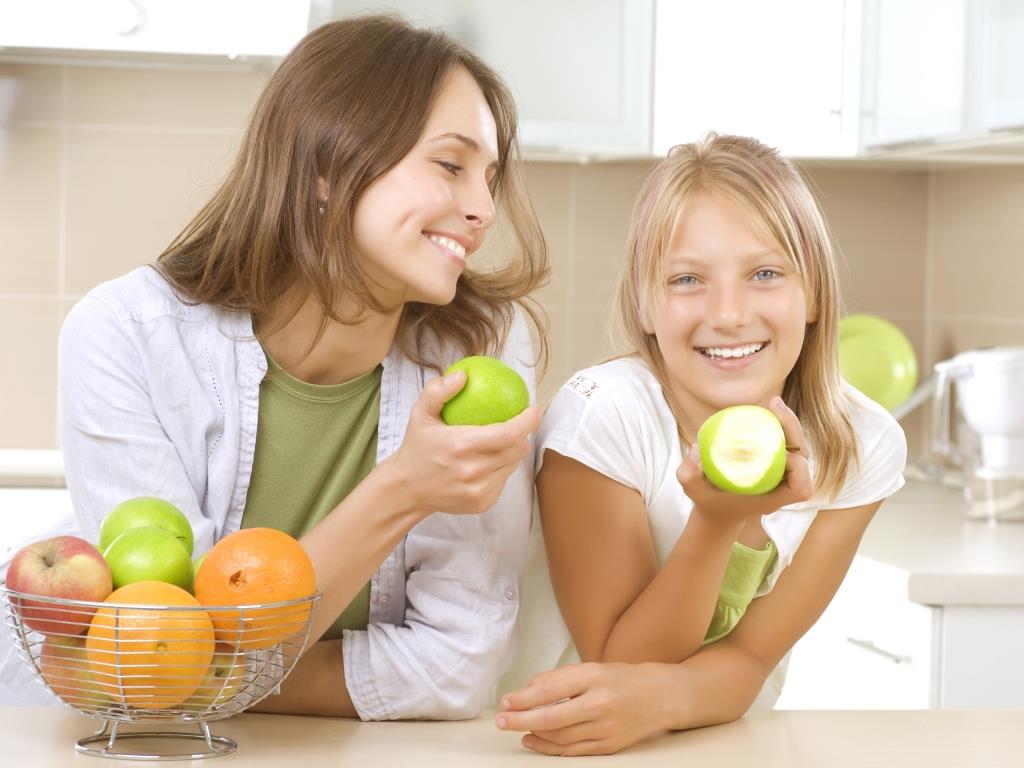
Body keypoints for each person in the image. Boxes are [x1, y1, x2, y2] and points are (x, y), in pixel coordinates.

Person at [1, 14, 550, 718]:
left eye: (491, 178)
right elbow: (159, 654)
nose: (481, 209)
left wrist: (215, 677)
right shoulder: (125, 337)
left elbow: (458, 667)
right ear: (326, 166)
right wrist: (405, 489)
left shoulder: (483, 353)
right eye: (450, 165)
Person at [496, 134, 907, 755]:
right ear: (645, 305)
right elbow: (621, 661)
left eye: (764, 274)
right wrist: (721, 522)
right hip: (555, 746)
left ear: (815, 292)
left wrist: (673, 698)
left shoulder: (862, 444)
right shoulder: (601, 415)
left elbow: (749, 659)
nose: (730, 313)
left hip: (710, 744)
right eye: (688, 279)